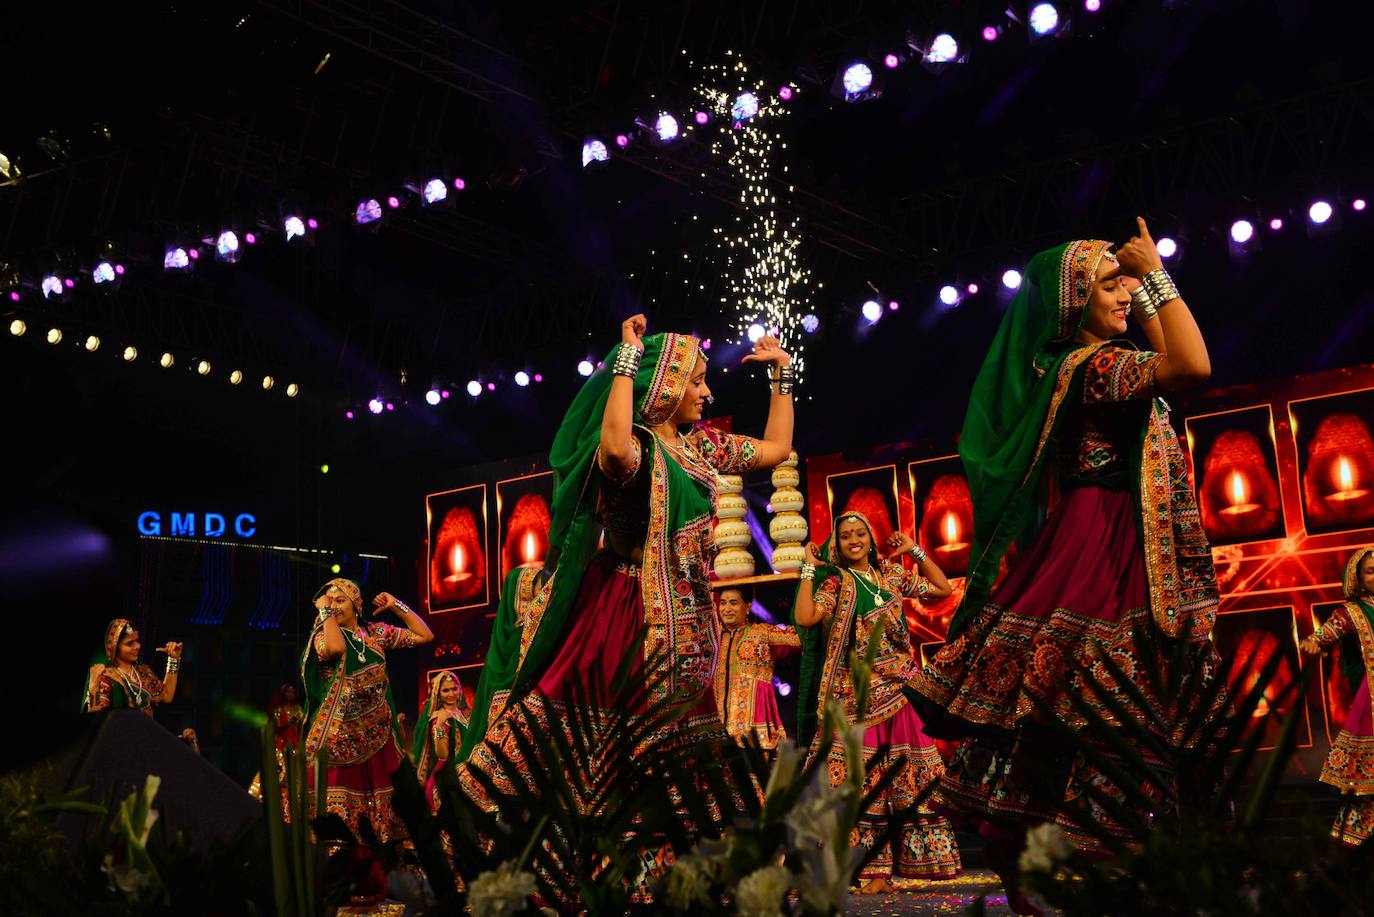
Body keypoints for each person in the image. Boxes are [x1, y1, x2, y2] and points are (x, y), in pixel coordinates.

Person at [904, 222, 1230, 913]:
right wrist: (1159, 276)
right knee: (1100, 708)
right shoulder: (1094, 367)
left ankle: (1038, 864)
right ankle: (1087, 866)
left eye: (1128, 281)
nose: (1127, 292)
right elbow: (1192, 366)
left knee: (1063, 718)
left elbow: (1173, 361)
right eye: (1109, 283)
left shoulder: (1090, 363)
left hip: (1117, 542)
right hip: (1103, 549)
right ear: (1070, 299)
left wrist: (1140, 288)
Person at [456, 315, 794, 894]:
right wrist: (626, 360)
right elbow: (613, 450)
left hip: (687, 626)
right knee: (600, 743)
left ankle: (676, 877)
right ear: (663, 385)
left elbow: (777, 449)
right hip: (623, 613)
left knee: (685, 744)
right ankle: (586, 874)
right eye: (697, 382)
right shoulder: (636, 450)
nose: (707, 393)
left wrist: (782, 379)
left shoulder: (704, 447)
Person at [792, 513, 960, 892]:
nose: (854, 539)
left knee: (904, 777)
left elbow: (943, 587)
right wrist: (807, 569)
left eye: (860, 533)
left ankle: (890, 869)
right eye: (846, 535)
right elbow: (805, 617)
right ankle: (868, 870)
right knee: (862, 783)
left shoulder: (891, 577)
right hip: (859, 698)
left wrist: (913, 550)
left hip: (900, 691)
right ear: (836, 544)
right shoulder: (838, 582)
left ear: (871, 537)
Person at [300, 578, 433, 846]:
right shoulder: (324, 635)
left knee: (384, 816)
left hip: (379, 736)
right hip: (339, 740)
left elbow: (425, 635)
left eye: (340, 601)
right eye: (330, 601)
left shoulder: (374, 633)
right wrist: (325, 612)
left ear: (356, 605)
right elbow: (336, 650)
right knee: (338, 820)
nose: (334, 606)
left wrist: (396, 605)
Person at [1301, 547, 1374, 846]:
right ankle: (1353, 839)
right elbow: (1329, 631)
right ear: (1358, 578)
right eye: (1371, 571)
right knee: (1366, 783)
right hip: (1371, 700)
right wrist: (1315, 642)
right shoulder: (1353, 611)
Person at [712, 586, 800, 754]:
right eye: (723, 603)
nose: (727, 609)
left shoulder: (762, 633)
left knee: (755, 778)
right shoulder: (713, 638)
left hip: (752, 729)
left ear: (748, 606)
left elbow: (800, 638)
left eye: (733, 603)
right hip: (717, 731)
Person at [84, 618, 184, 716]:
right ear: (114, 647)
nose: (137, 646)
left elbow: (166, 695)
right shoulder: (106, 678)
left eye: (137, 641)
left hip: (147, 731)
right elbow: (96, 719)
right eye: (130, 643)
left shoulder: (143, 672)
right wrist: (93, 686)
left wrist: (173, 659)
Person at [413, 670, 470, 809]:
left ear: (459, 689)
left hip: (469, 770)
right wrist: (439, 725)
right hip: (449, 775)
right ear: (438, 694)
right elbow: (442, 755)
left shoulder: (466, 714)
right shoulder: (439, 717)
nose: (451, 694)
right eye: (445, 690)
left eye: (453, 689)